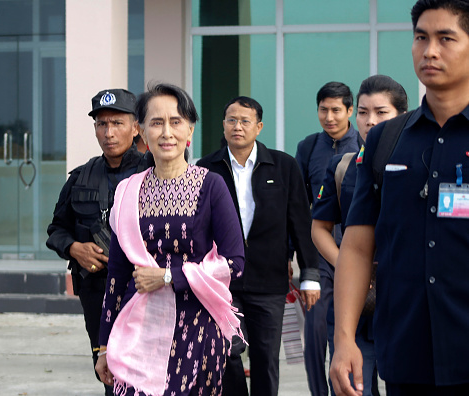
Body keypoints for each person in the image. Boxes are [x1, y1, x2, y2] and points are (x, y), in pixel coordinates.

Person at [330, 1, 469, 395]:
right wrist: (344, 339)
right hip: (407, 356)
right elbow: (357, 247)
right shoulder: (385, 140)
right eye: (421, 37)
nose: (430, 51)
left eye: (446, 38)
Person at [95, 83, 245, 396]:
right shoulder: (127, 193)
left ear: (190, 129)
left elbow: (234, 263)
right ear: (141, 132)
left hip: (199, 330)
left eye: (176, 122)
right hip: (139, 329)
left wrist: (167, 277)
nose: (167, 132)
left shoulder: (211, 186)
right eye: (156, 122)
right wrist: (104, 346)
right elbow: (117, 276)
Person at [197, 96, 321, 396]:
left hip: (269, 283)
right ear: (223, 125)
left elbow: (301, 225)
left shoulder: (283, 166)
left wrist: (310, 275)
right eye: (231, 120)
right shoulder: (206, 168)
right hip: (222, 282)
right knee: (226, 354)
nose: (237, 127)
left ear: (259, 126)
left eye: (245, 121)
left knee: (265, 359)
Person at [46, 88, 151, 396]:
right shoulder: (80, 177)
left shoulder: (153, 172)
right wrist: (73, 249)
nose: (109, 132)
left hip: (141, 290)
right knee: (107, 369)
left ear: (135, 128)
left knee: (143, 370)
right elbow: (56, 229)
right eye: (101, 124)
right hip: (95, 291)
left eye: (117, 123)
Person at [311, 75, 408, 396]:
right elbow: (320, 228)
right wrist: (349, 267)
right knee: (354, 387)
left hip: (405, 301)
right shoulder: (343, 165)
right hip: (357, 301)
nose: (371, 122)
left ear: (402, 117)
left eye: (382, 113)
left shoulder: (418, 162)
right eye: (364, 113)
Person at [294, 81, 362, 396]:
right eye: (324, 109)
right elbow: (296, 208)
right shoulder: (307, 147)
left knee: (346, 332)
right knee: (315, 331)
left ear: (349, 111)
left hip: (356, 252)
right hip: (318, 255)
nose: (330, 116)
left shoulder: (365, 144)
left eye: (337, 110)